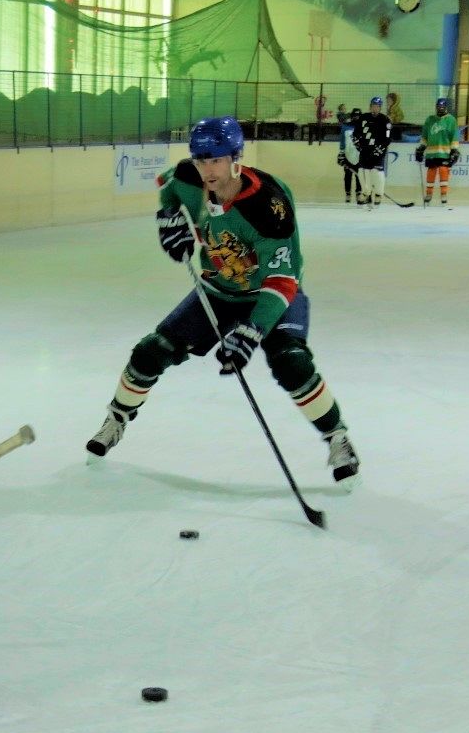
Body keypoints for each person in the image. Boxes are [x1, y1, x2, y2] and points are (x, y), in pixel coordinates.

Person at [85, 115, 359, 484]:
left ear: (236, 157)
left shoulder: (269, 204)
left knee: (290, 362)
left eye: (215, 159)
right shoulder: (187, 177)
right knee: (151, 351)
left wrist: (251, 331)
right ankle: (117, 417)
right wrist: (168, 218)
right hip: (217, 292)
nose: (207, 169)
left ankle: (337, 437)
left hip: (271, 293)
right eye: (200, 159)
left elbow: (283, 280)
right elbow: (167, 189)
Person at [418, 97, 461, 208]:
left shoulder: (451, 120)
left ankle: (443, 194)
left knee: (443, 171)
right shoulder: (430, 119)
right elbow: (425, 136)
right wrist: (421, 148)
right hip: (432, 153)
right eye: (438, 107)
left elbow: (454, 136)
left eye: (442, 107)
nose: (440, 109)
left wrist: (455, 150)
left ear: (446, 107)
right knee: (431, 172)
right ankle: (428, 194)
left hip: (445, 152)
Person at [351, 96, 394, 209]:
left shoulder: (386, 120)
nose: (375, 108)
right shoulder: (363, 118)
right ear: (370, 106)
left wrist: (380, 149)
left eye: (377, 106)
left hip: (378, 152)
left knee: (377, 172)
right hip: (365, 150)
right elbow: (356, 133)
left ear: (380, 108)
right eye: (373, 106)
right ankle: (366, 192)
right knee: (362, 172)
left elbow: (388, 138)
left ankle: (379, 193)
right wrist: (356, 143)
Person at [336, 107, 364, 205]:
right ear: (352, 116)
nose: (356, 118)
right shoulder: (345, 127)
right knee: (347, 175)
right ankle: (348, 194)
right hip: (348, 155)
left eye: (358, 116)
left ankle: (359, 193)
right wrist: (341, 153)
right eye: (355, 116)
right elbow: (343, 141)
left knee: (359, 175)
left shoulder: (364, 127)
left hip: (360, 156)